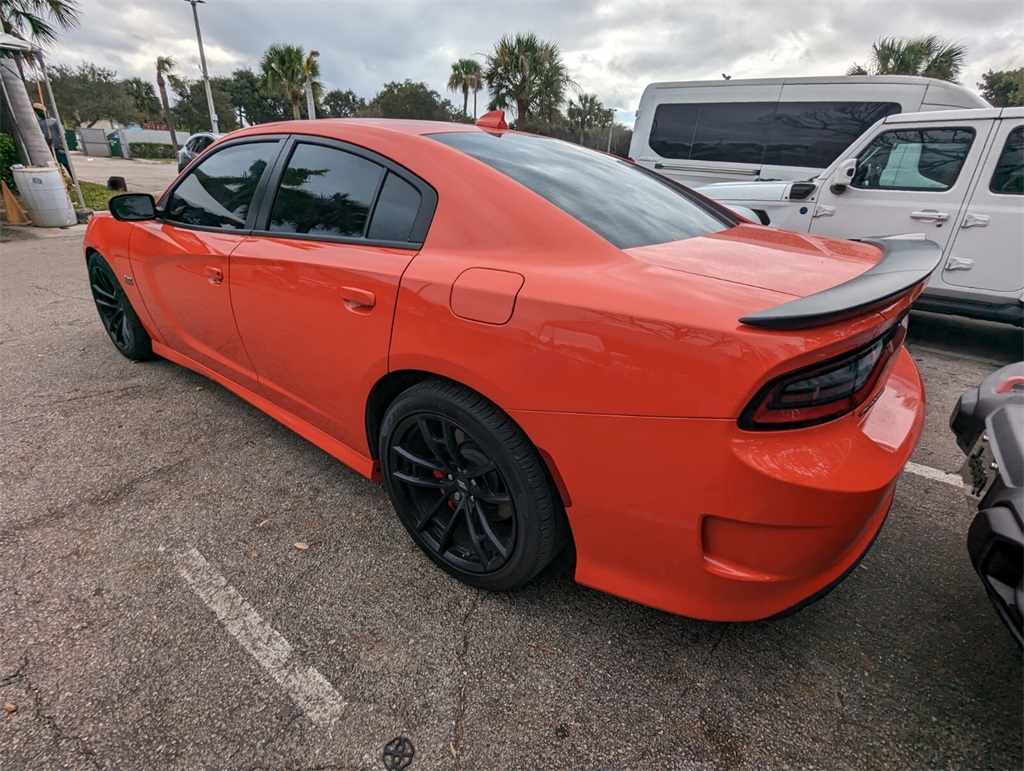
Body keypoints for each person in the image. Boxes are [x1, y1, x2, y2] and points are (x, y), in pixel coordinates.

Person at [33, 102, 72, 177]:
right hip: (47, 146)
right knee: (53, 164)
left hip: (58, 146)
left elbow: (62, 133)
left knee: (66, 163)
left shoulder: (54, 121)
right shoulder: (38, 123)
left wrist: (63, 144)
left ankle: (73, 179)